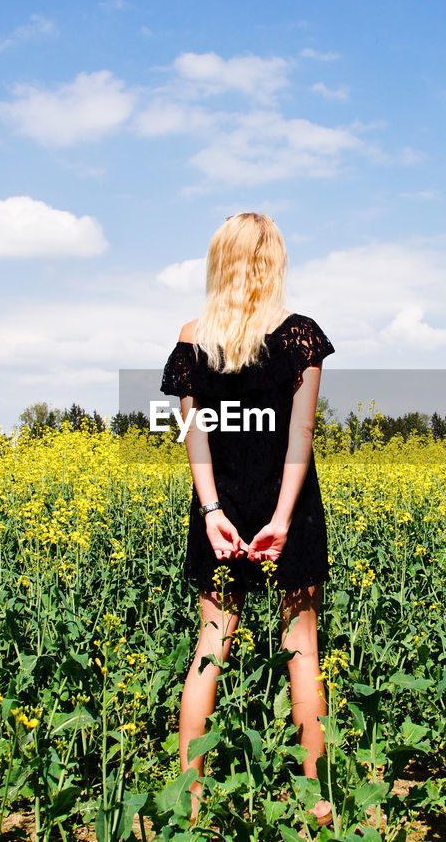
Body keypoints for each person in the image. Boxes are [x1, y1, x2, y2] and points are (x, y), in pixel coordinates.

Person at [159, 212, 336, 829]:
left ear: (220, 260)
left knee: (210, 647)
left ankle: (190, 800)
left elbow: (194, 436)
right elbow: (300, 435)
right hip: (288, 509)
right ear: (274, 261)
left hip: (222, 508)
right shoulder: (299, 338)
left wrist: (211, 513)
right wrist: (283, 519)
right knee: (302, 652)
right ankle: (317, 801)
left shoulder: (191, 338)